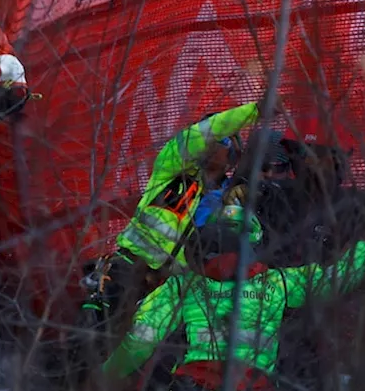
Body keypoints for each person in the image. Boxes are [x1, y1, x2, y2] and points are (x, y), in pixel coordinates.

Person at [100, 205, 365, 391]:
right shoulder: (278, 282)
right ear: (255, 241)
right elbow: (338, 280)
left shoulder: (183, 286)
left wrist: (104, 377)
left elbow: (140, 340)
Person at [80, 101, 272, 332]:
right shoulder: (170, 167)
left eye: (220, 141)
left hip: (171, 289)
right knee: (92, 334)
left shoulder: (228, 197)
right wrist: (255, 111)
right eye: (207, 137)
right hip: (130, 267)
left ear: (232, 155)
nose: (208, 145)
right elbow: (202, 134)